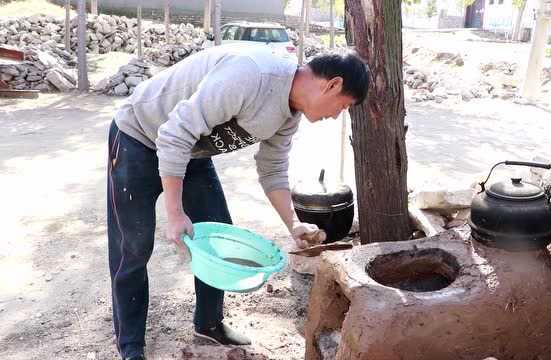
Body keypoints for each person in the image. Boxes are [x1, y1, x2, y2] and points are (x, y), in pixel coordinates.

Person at [107, 44, 369, 360]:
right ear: (333, 84)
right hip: (139, 137)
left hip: (191, 153)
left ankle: (209, 324)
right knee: (133, 247)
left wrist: (294, 224)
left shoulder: (290, 111)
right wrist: (175, 213)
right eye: (343, 106)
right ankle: (131, 345)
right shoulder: (252, 74)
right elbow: (174, 134)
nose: (336, 115)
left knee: (219, 236)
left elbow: (272, 169)